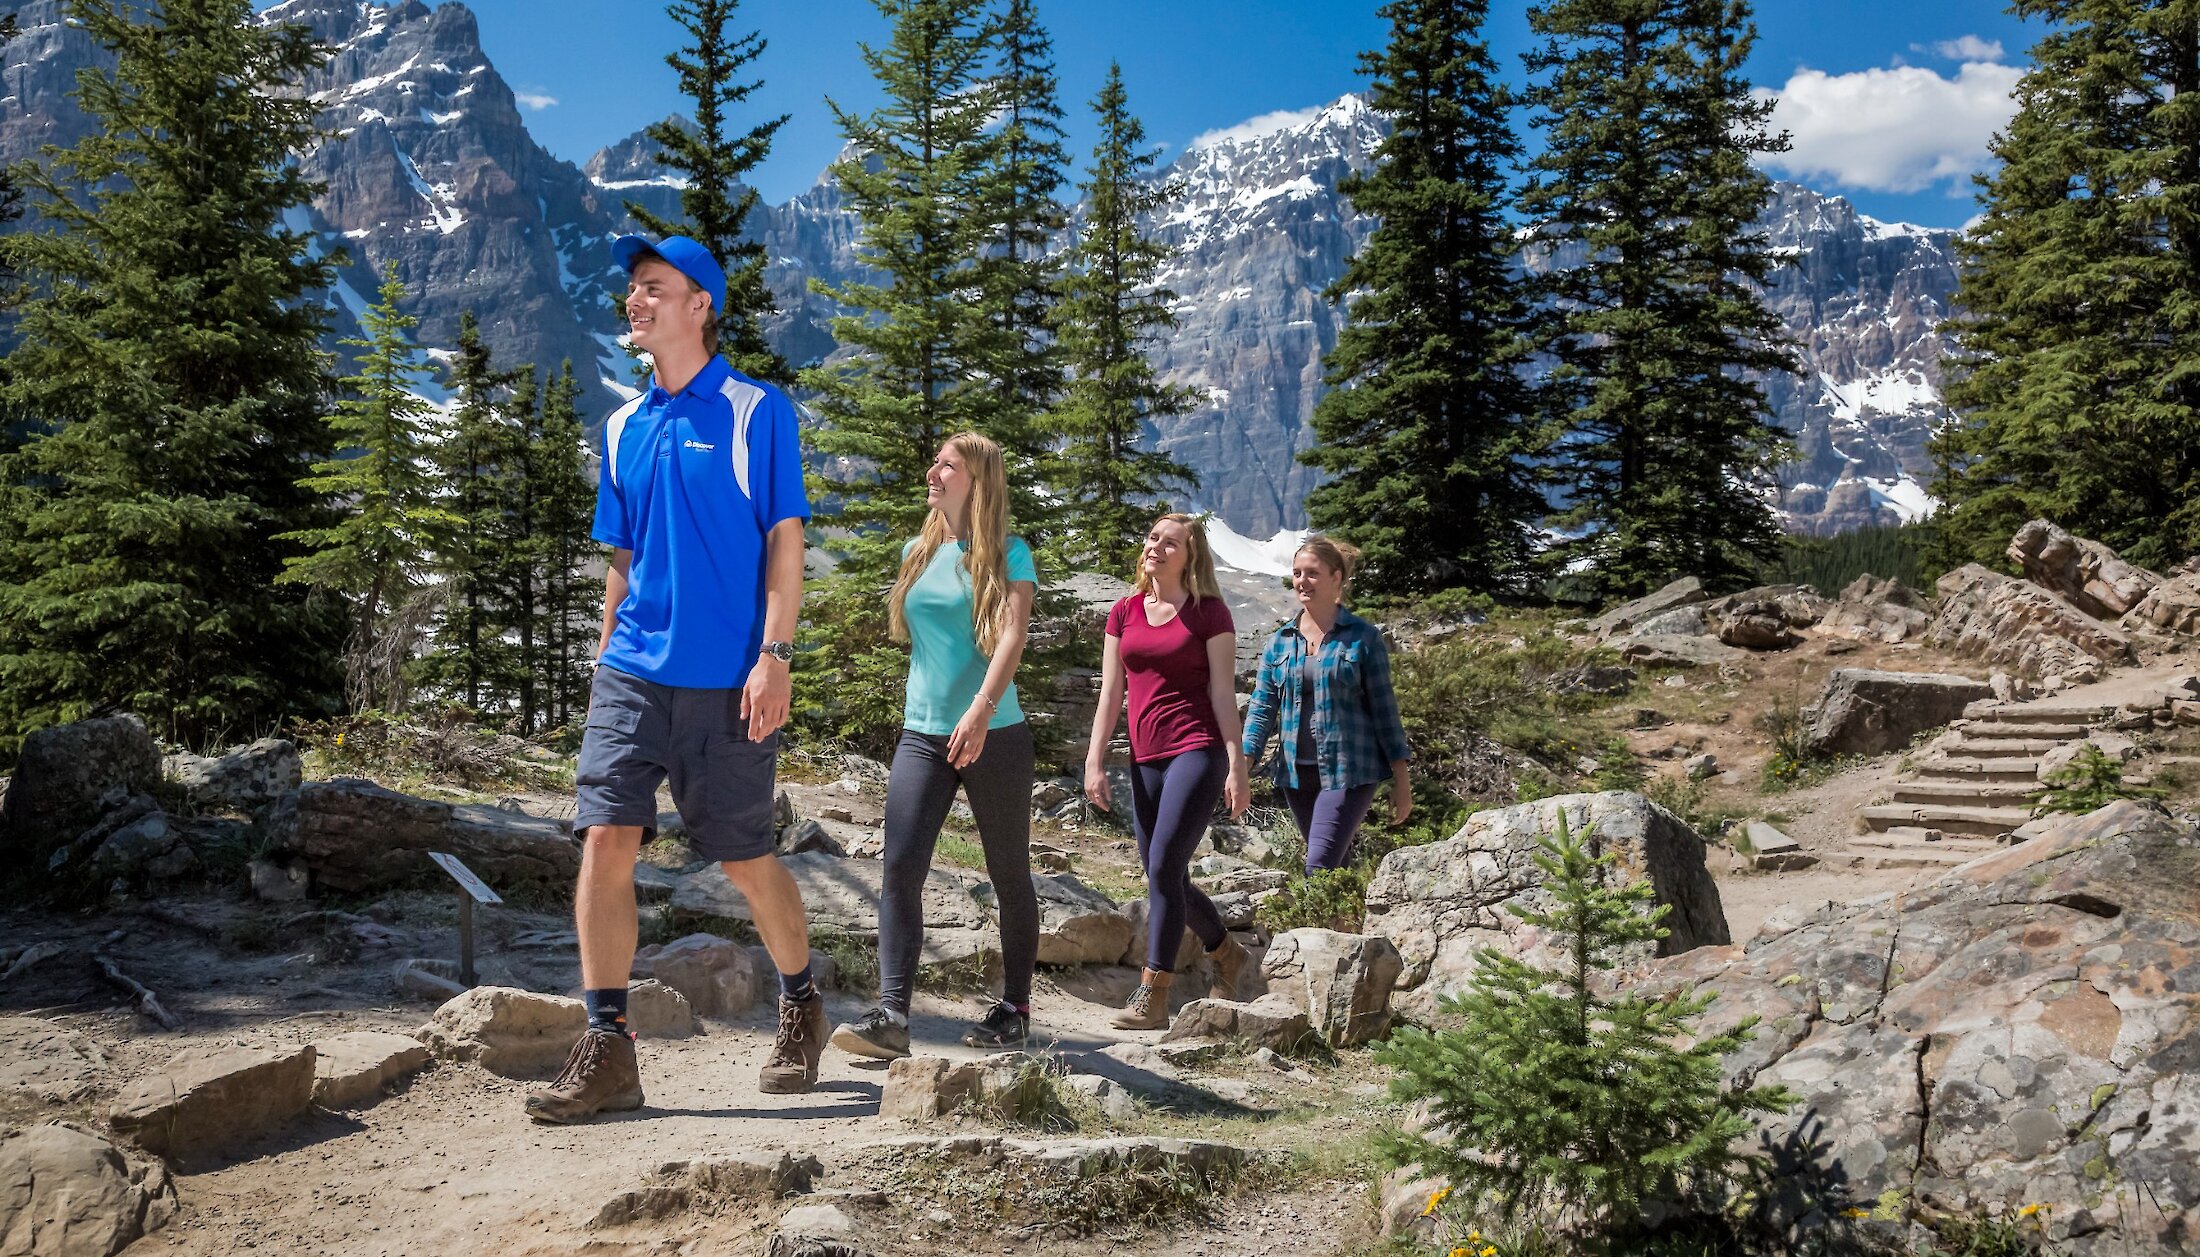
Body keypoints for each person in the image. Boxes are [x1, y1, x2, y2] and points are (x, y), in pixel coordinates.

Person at [526, 234, 821, 1124]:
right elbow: (624, 554)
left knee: (744, 857)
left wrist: (776, 657)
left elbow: (785, 543)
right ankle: (609, 1043)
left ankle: (801, 998)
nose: (635, 301)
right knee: (605, 841)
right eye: (631, 290)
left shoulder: (755, 411)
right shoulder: (622, 425)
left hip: (729, 681)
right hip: (631, 675)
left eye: (654, 288)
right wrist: (606, 648)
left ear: (702, 304)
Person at [831, 433, 1041, 1060]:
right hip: (922, 733)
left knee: (1008, 872)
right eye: (936, 463)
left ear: (977, 479)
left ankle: (1015, 1008)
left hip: (994, 733)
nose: (934, 472)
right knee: (900, 869)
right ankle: (892, 1014)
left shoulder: (1009, 552)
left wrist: (979, 710)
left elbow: (1013, 635)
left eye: (948, 465)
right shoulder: (917, 551)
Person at [1084, 514, 1255, 1031]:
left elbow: (1224, 697)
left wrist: (1237, 765)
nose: (1156, 546)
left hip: (1197, 751)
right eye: (1154, 537)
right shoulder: (1125, 612)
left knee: (1161, 868)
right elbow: (1111, 692)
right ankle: (1227, 952)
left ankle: (1152, 993)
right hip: (1143, 758)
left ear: (1190, 556)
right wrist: (1095, 761)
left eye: (1171, 542)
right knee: (1168, 874)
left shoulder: (1210, 615)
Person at [1241, 536, 1412, 874]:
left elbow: (1385, 711)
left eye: (1313, 573)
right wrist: (1242, 767)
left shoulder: (1363, 637)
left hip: (1350, 770)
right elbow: (1262, 709)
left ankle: (1305, 926)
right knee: (1334, 864)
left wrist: (1402, 782)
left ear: (1336, 578)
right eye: (1297, 573)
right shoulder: (1280, 642)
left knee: (1317, 865)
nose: (1303, 581)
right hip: (1296, 773)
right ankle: (1343, 925)